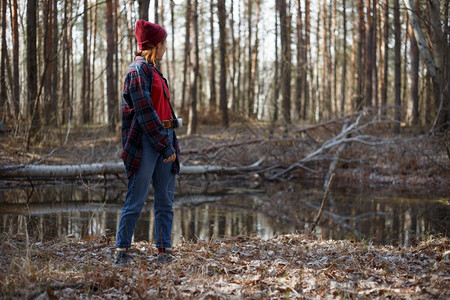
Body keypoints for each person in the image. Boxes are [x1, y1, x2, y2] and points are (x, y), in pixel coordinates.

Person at [114, 19, 180, 266]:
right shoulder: (136, 71)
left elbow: (162, 109)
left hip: (165, 139)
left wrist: (171, 138)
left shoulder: (154, 71)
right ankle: (122, 252)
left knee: (165, 200)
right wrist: (164, 144)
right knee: (136, 199)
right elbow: (144, 113)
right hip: (146, 143)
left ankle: (164, 252)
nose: (166, 48)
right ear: (155, 45)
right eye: (164, 44)